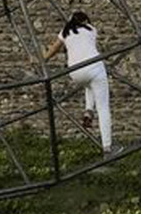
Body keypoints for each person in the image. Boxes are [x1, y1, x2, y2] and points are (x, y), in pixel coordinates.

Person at [44, 10, 113, 151]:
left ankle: (88, 110)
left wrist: (42, 58)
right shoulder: (91, 29)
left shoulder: (65, 32)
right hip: (94, 67)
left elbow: (54, 49)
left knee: (89, 84)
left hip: (76, 72)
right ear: (85, 21)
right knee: (103, 107)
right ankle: (107, 146)